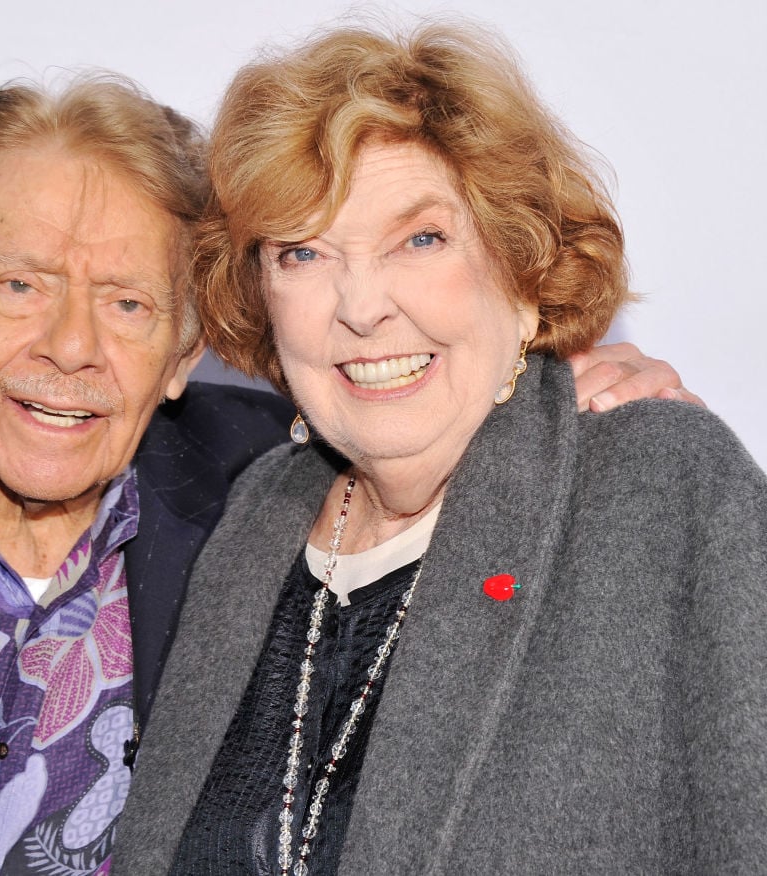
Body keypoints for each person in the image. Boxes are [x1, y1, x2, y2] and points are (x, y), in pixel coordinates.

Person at [0, 71, 695, 876]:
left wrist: (566, 383)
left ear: (184, 349)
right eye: (21, 285)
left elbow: (429, 405)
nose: (70, 346)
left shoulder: (275, 490)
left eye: (127, 303)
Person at [114, 21, 767, 875]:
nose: (361, 307)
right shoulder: (251, 519)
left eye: (420, 239)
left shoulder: (663, 492)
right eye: (303, 253)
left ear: (522, 275)